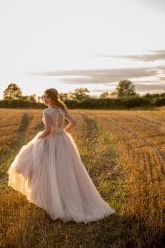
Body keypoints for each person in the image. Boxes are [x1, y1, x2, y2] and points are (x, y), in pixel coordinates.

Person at [7, 88, 116, 223]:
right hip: (63, 140)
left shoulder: (47, 111)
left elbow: (47, 131)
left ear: (52, 98)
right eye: (43, 97)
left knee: (49, 168)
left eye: (47, 97)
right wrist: (62, 131)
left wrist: (37, 139)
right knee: (65, 169)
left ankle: (52, 200)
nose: (44, 99)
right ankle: (64, 197)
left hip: (52, 141)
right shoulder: (61, 109)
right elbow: (74, 122)